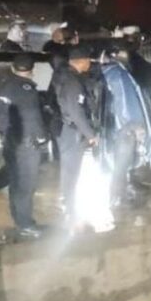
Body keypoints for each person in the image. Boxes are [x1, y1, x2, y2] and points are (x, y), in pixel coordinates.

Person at [0, 54, 47, 238]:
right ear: (32, 71)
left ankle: (19, 218)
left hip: (12, 143)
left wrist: (9, 133)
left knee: (16, 182)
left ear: (13, 68)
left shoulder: (6, 86)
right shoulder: (27, 89)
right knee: (26, 185)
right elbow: (33, 119)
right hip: (27, 145)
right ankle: (25, 224)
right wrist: (40, 138)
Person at [101, 44, 151, 207]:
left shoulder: (106, 72)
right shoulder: (118, 74)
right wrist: (134, 125)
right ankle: (116, 196)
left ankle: (119, 193)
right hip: (125, 128)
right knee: (122, 163)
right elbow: (126, 101)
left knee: (121, 163)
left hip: (112, 126)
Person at [55, 46, 101, 213]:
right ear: (81, 62)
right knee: (70, 167)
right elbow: (76, 111)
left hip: (69, 128)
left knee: (70, 167)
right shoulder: (72, 81)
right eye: (88, 60)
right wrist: (90, 134)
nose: (90, 63)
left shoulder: (68, 76)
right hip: (72, 130)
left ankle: (67, 199)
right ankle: (67, 201)